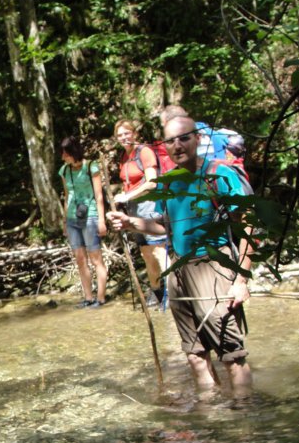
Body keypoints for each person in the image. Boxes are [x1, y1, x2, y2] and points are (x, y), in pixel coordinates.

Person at [107, 116, 253, 393]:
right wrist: (130, 223)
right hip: (178, 271)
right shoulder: (169, 183)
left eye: (184, 138)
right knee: (195, 355)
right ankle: (209, 412)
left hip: (214, 267)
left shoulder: (219, 174)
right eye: (170, 141)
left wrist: (241, 280)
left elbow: (247, 224)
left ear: (198, 138)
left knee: (232, 356)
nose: (177, 145)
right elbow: (165, 226)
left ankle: (245, 415)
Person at [112, 119, 169, 308]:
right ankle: (157, 292)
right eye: (120, 135)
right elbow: (128, 182)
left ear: (134, 134)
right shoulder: (124, 156)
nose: (123, 138)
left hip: (149, 206)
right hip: (134, 208)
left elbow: (152, 182)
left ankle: (172, 292)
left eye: (126, 133)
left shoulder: (144, 152)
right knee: (146, 253)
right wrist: (124, 196)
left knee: (159, 250)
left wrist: (127, 196)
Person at [59, 136, 108, 308]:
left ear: (74, 152)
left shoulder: (91, 166)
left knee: (96, 259)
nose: (63, 157)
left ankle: (100, 298)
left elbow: (99, 195)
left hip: (91, 216)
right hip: (72, 218)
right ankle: (88, 297)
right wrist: (65, 221)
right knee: (80, 259)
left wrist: (102, 220)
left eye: (66, 154)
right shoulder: (64, 170)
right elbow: (67, 196)